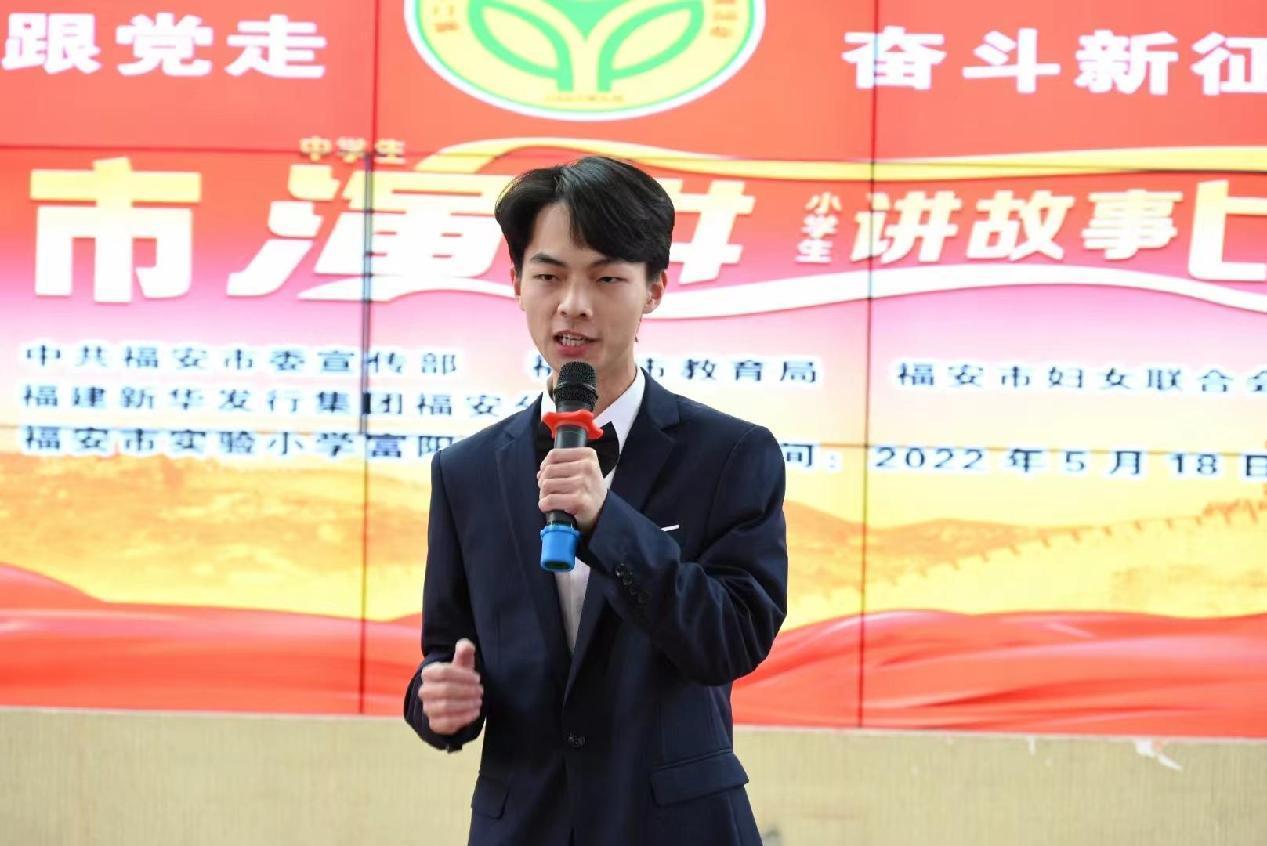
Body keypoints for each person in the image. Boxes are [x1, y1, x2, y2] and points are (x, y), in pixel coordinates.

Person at [403, 155, 788, 846]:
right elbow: (448, 653)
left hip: (676, 828)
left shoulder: (730, 455)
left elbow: (731, 639)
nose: (573, 304)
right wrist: (437, 700)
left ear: (654, 290)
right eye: (549, 276)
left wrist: (609, 522)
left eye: (606, 278)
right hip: (525, 825)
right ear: (516, 283)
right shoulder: (466, 472)